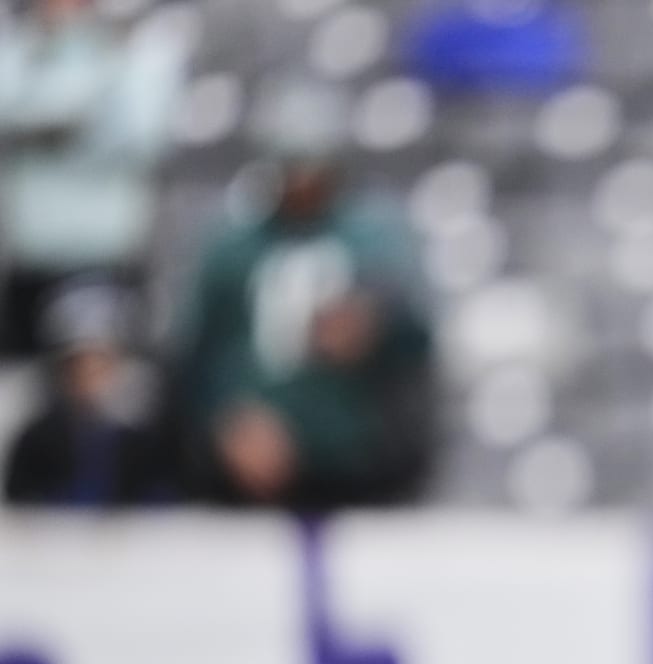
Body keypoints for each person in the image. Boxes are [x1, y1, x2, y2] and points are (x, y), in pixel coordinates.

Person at [164, 80, 437, 511]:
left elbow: (418, 337)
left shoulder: (378, 240)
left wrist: (375, 326)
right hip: (245, 460)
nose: (302, 181)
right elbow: (196, 352)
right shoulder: (231, 246)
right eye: (291, 166)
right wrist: (225, 420)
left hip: (354, 459)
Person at [0, 0, 187, 358]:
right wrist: (82, 112)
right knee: (24, 391)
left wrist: (48, 128)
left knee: (108, 389)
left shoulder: (134, 49)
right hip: (32, 259)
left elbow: (145, 136)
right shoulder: (19, 47)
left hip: (107, 257)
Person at [3, 281, 171, 506]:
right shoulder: (36, 440)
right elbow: (22, 503)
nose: (88, 378)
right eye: (76, 366)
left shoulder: (151, 439)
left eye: (100, 364)